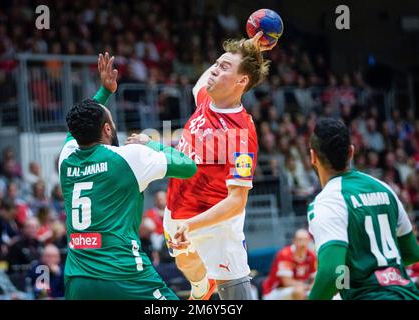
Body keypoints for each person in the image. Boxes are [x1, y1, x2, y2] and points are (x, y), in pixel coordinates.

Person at [62, 53, 197, 300]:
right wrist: (151, 143)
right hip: (124, 274)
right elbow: (188, 166)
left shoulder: (66, 157)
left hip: (77, 278)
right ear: (107, 129)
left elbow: (78, 126)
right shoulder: (130, 157)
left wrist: (103, 92)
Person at [158, 32, 271, 300]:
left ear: (242, 81)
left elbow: (237, 201)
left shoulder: (241, 131)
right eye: (216, 63)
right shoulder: (206, 100)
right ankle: (200, 288)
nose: (213, 71)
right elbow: (201, 81)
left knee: (236, 297)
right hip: (177, 211)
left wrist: (193, 224)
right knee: (186, 263)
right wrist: (249, 46)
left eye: (224, 68)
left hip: (215, 225)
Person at [307, 118, 419, 300]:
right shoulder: (384, 188)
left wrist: (364, 270)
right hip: (407, 294)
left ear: (313, 156)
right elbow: (412, 253)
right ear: (351, 152)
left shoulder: (327, 201)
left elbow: (331, 273)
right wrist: (377, 268)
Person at [261, 229, 316, 300]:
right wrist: (307, 286)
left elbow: (315, 276)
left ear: (309, 241)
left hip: (299, 287)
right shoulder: (285, 254)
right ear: (294, 241)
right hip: (275, 290)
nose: (303, 243)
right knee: (299, 291)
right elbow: (286, 282)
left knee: (318, 291)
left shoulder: (311, 255)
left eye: (306, 240)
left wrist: (313, 286)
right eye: (300, 240)